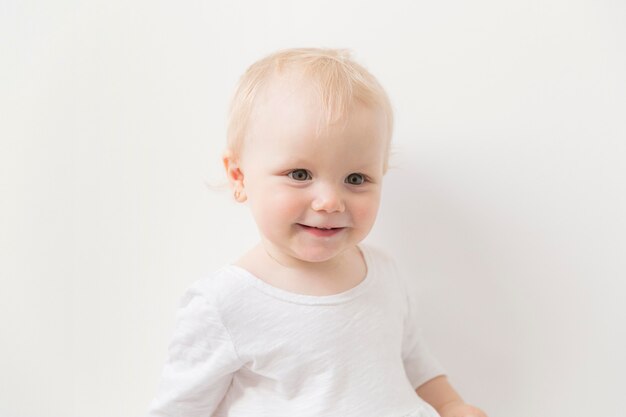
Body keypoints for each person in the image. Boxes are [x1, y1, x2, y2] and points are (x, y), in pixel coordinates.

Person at [146, 48, 487, 417]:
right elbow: (178, 408)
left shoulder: (382, 272)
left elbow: (413, 359)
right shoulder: (225, 302)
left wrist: (452, 406)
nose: (329, 201)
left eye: (356, 179)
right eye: (300, 174)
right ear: (239, 176)